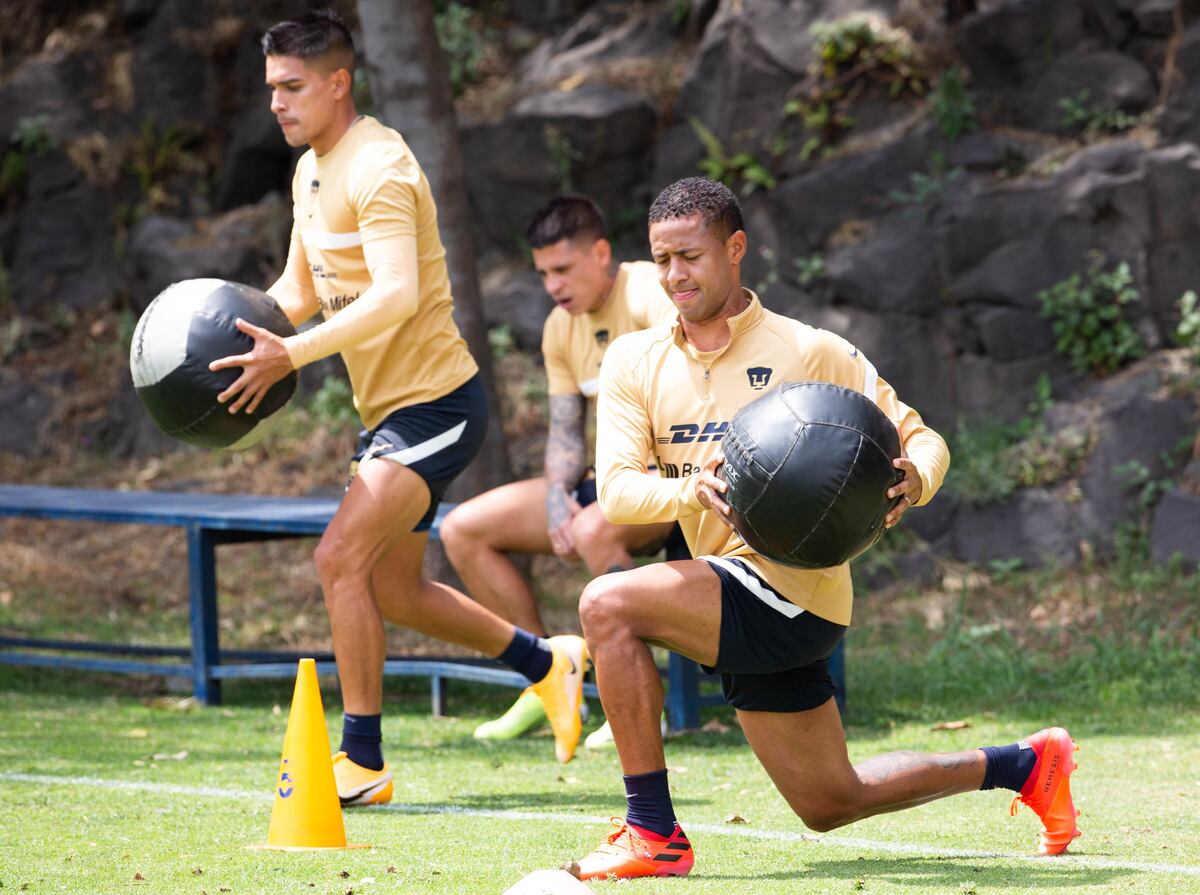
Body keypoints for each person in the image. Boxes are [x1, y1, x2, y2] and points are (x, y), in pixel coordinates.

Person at [569, 177, 1080, 879]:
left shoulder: (808, 350)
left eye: (690, 255)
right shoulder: (633, 360)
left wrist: (915, 478)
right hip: (734, 594)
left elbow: (921, 436)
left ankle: (651, 829)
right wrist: (691, 488)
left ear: (735, 248)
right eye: (661, 259)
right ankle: (1025, 765)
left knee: (606, 603)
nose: (674, 275)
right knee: (831, 799)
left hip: (797, 584)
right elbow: (618, 493)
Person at [208, 11, 590, 805]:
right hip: (388, 414)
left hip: (437, 405)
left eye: (292, 87)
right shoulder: (310, 171)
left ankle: (364, 759)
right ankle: (547, 663)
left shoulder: (379, 165)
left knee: (337, 558)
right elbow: (299, 293)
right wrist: (228, 336)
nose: (276, 103)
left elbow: (397, 294)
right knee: (395, 589)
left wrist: (295, 354)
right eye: (271, 88)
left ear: (338, 83)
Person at [441, 196, 676, 746]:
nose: (553, 285)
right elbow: (567, 430)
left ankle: (642, 705)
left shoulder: (647, 294)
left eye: (563, 269)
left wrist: (595, 505)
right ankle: (550, 675)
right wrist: (557, 501)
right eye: (543, 272)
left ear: (600, 253)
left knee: (596, 526)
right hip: (610, 483)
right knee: (463, 529)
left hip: (674, 482)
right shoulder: (558, 328)